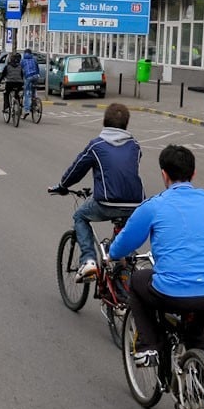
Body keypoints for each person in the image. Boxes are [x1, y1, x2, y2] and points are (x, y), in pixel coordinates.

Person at [107, 145, 204, 365]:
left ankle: (148, 346)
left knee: (138, 280)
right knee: (196, 334)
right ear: (193, 174)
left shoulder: (154, 206)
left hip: (172, 292)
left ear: (164, 174)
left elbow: (124, 244)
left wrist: (111, 254)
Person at [49, 103, 145, 279]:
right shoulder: (135, 146)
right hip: (135, 204)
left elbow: (77, 169)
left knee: (80, 216)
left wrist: (63, 186)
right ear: (126, 124)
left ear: (104, 122)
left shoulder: (97, 146)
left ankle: (88, 261)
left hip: (107, 202)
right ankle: (122, 268)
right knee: (123, 235)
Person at [21, 48, 40, 119]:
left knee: (27, 93)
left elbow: (20, 70)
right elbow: (37, 68)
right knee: (34, 89)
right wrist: (38, 75)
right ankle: (36, 102)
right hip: (36, 76)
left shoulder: (23, 60)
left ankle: (26, 110)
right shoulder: (34, 59)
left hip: (28, 77)